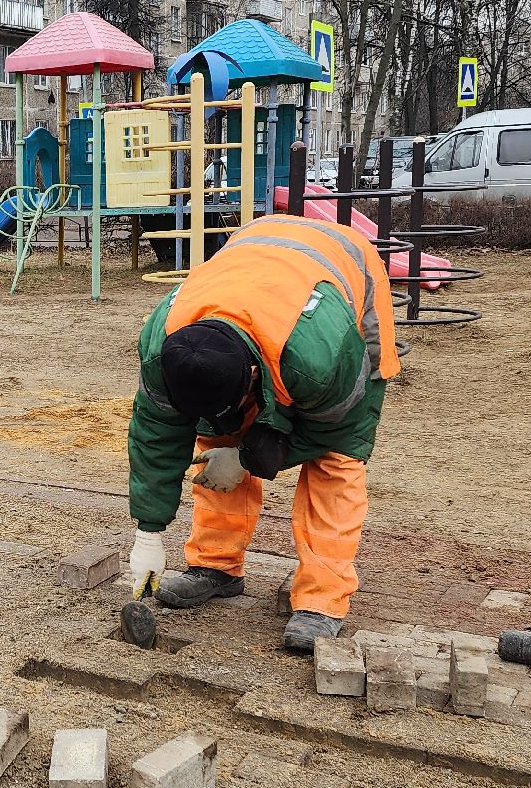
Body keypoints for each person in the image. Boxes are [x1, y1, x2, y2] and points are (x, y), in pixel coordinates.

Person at [124, 212, 399, 652]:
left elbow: (343, 426)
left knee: (335, 466)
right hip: (253, 263)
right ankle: (215, 567)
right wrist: (148, 531)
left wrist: (252, 455)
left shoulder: (319, 352)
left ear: (252, 373)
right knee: (216, 443)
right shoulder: (163, 344)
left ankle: (322, 600)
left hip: (343, 283)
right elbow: (155, 436)